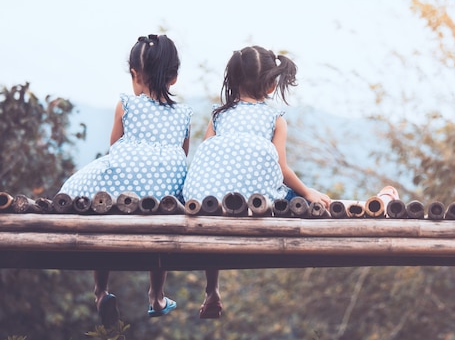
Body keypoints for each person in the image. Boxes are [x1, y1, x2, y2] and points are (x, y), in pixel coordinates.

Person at [183, 45, 331, 318]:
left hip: (207, 199)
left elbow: (207, 157)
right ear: (271, 85)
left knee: (216, 209)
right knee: (310, 201)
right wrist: (307, 192)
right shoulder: (274, 118)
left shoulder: (219, 115)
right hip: (257, 200)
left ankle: (212, 289)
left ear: (234, 79)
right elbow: (282, 168)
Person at [59, 34, 192, 325]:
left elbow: (114, 147)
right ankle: (156, 296)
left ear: (135, 74)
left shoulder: (126, 105)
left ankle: (101, 291)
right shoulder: (183, 113)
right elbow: (183, 154)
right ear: (173, 78)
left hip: (122, 189)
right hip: (164, 197)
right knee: (161, 231)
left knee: (101, 210)